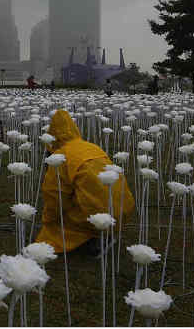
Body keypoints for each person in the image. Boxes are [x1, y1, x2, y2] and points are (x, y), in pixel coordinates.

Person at [35, 109, 135, 255]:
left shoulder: (61, 156)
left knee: (58, 229)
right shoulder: (92, 147)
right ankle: (102, 234)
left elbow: (55, 196)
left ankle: (92, 241)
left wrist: (49, 222)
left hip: (94, 214)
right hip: (123, 210)